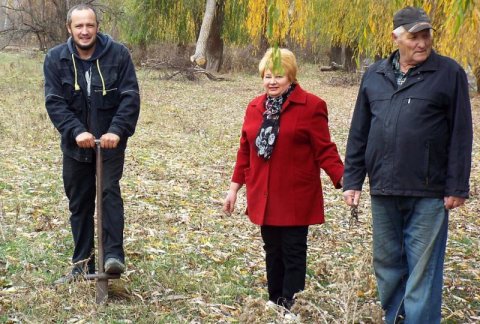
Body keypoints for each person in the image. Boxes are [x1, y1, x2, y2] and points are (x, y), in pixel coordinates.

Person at [343, 6, 472, 324]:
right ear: (396, 38)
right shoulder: (374, 75)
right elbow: (359, 130)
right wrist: (353, 179)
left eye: (426, 35)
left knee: (423, 272)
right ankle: (396, 318)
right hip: (384, 187)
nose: (422, 43)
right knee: (386, 265)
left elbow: (461, 132)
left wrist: (457, 185)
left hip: (429, 191)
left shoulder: (449, 73)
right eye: (414, 37)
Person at [223, 48, 344, 316]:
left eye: (279, 75)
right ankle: (275, 297)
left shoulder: (311, 106)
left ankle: (292, 305)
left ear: (291, 76)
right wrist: (233, 190)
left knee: (293, 250)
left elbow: (325, 149)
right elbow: (246, 150)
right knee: (272, 248)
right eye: (268, 76)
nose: (273, 82)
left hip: (295, 193)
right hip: (263, 192)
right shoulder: (255, 107)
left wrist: (344, 179)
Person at [44, 4, 140, 283]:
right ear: (69, 29)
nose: (85, 31)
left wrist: (117, 131)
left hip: (109, 144)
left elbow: (130, 96)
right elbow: (54, 102)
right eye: (79, 26)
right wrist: (75, 131)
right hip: (75, 147)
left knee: (109, 192)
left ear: (97, 26)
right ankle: (82, 263)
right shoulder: (55, 58)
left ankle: (113, 257)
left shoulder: (118, 55)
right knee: (79, 202)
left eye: (90, 25)